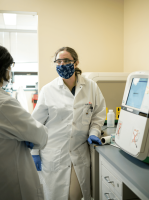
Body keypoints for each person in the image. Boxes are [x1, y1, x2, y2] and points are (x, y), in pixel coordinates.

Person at [31, 46, 106, 200]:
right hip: (54, 152)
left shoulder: (91, 86)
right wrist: (35, 152)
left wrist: (94, 133)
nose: (62, 64)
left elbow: (98, 114)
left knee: (75, 196)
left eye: (66, 61)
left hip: (79, 152)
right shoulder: (48, 90)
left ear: (76, 62)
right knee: (55, 196)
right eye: (58, 61)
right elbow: (36, 124)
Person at [0, 45, 48, 200]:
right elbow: (39, 134)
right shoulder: (5, 103)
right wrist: (30, 137)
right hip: (11, 177)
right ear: (4, 69)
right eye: (10, 67)